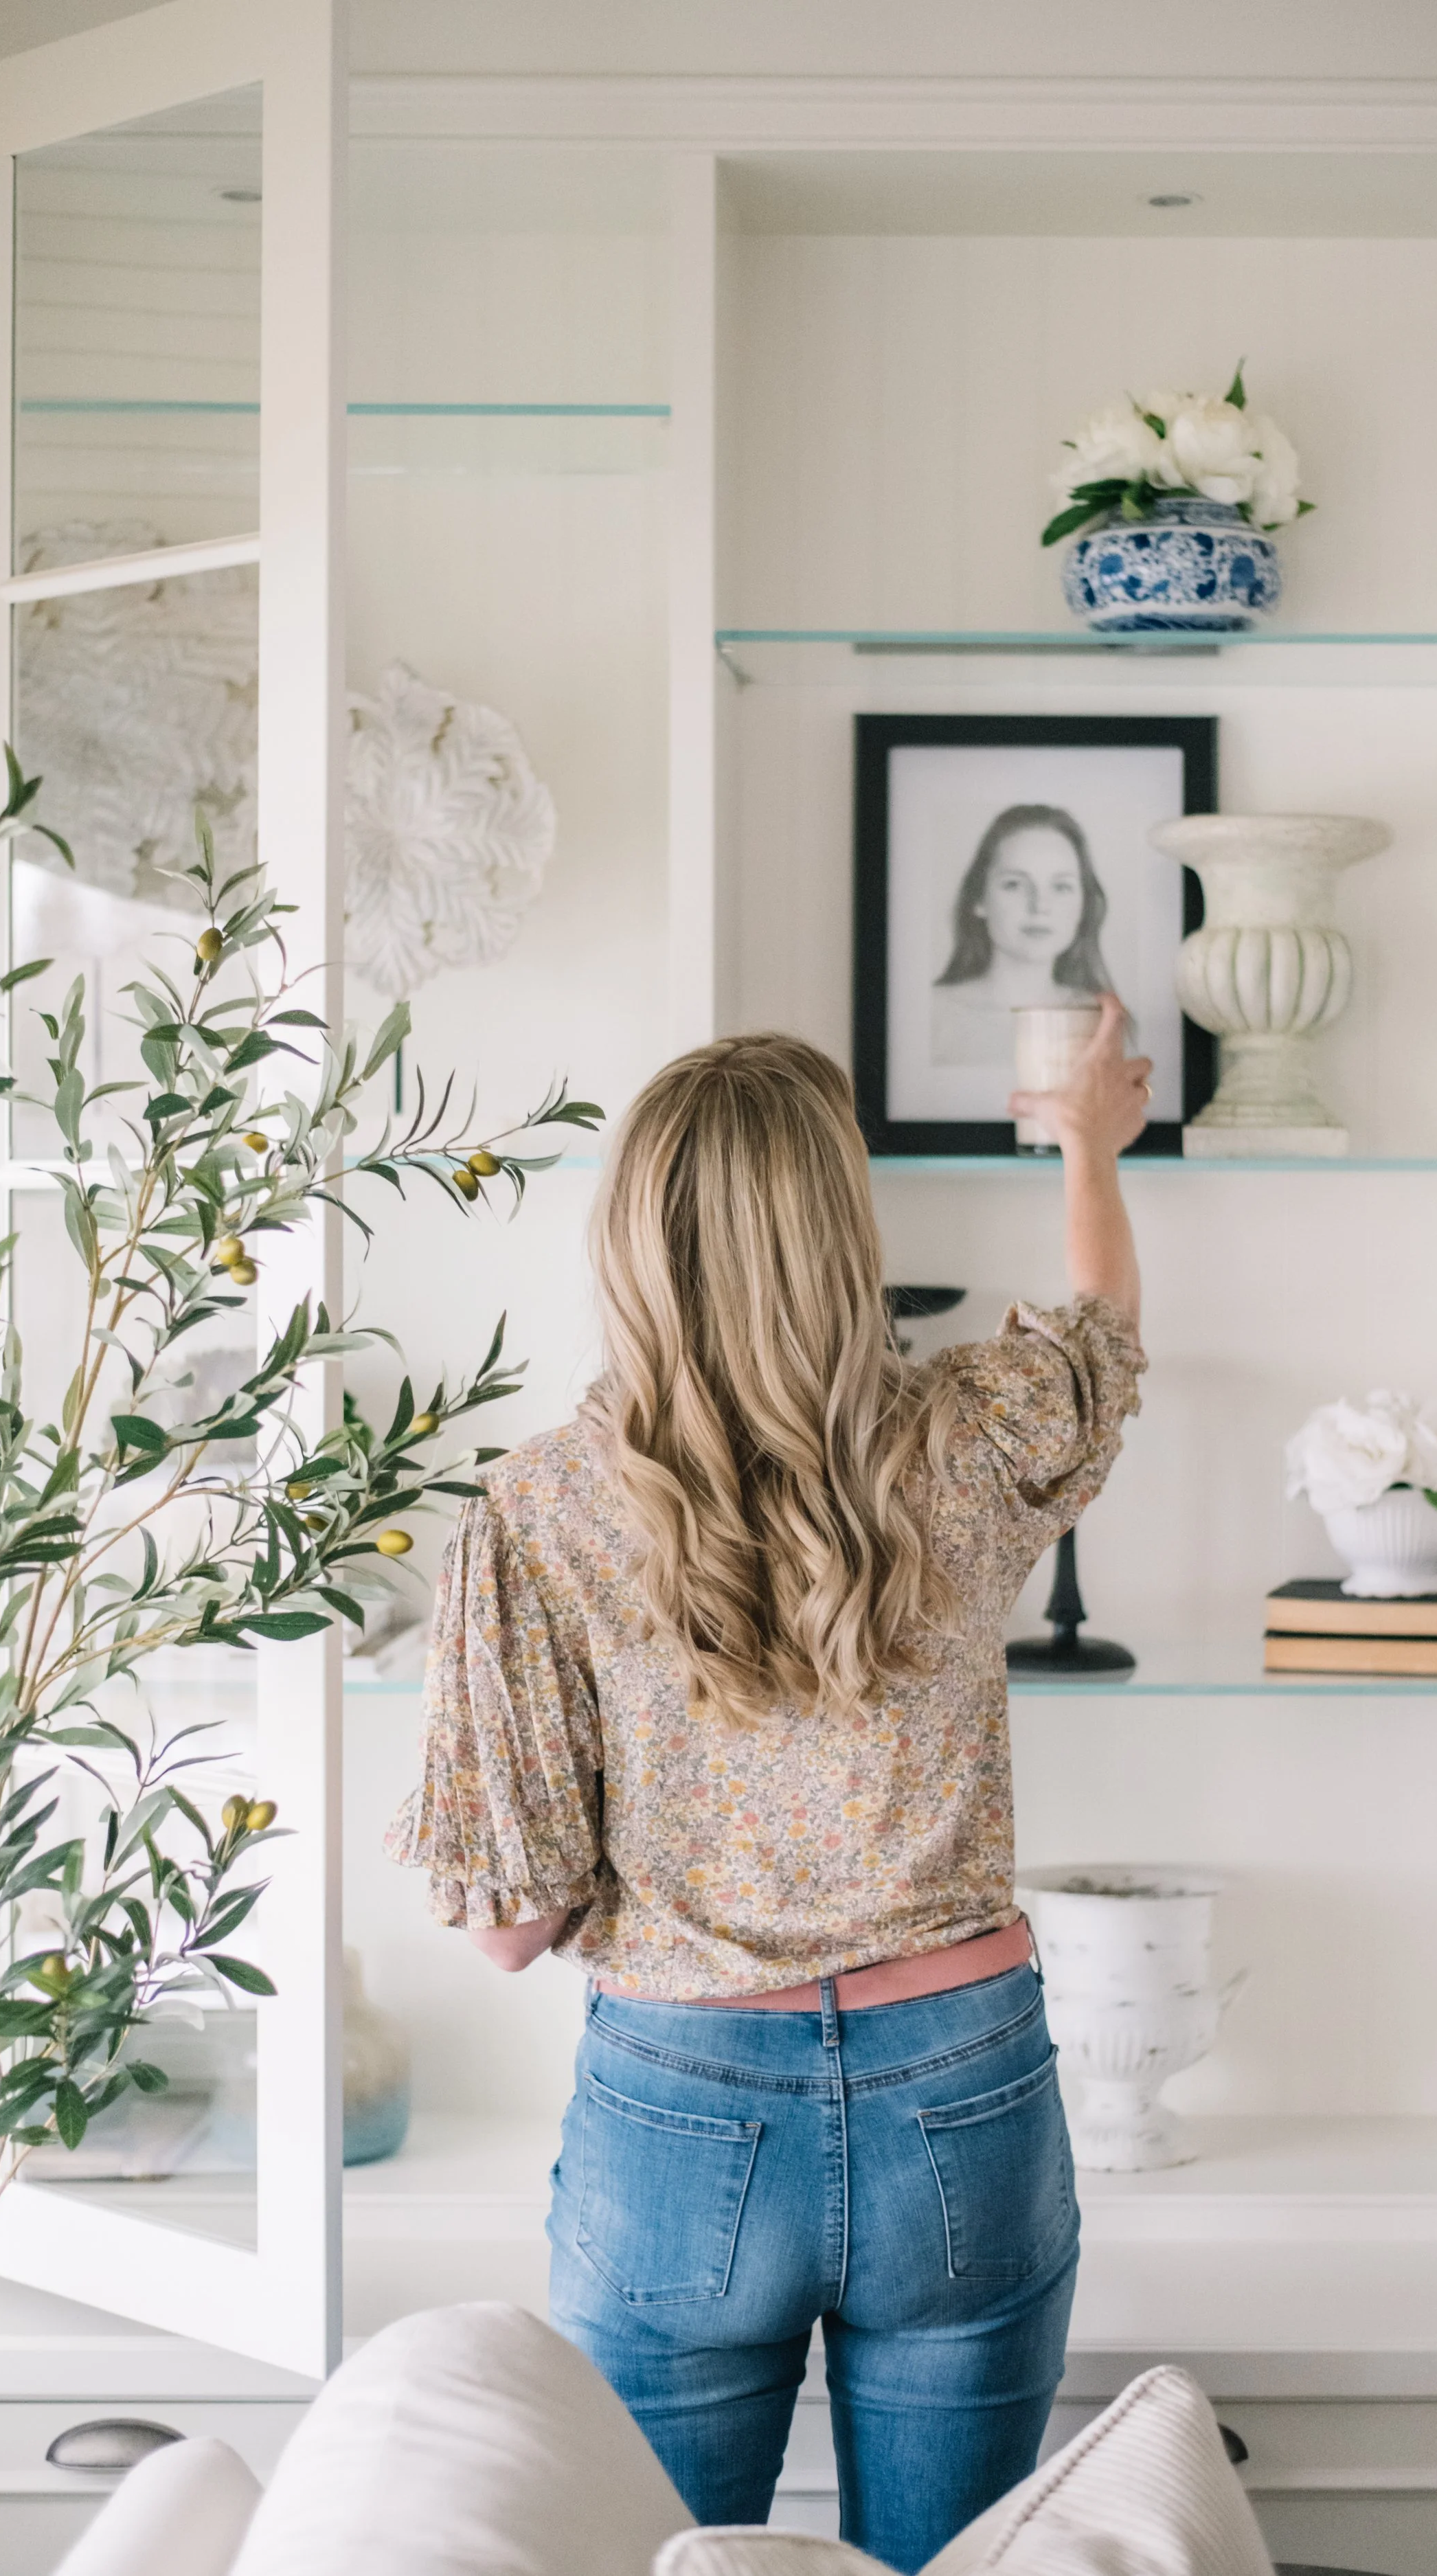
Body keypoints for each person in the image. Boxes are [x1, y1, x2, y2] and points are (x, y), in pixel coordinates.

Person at [387, 1001, 1152, 2574]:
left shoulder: (539, 1510)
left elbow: (510, 1927)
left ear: (633, 1241)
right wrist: (1087, 1141)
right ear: (839, 1231)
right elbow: (1096, 1335)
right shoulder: (958, 1440)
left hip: (682, 2105)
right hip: (966, 2084)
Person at [930, 804, 1114, 1069]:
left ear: (1084, 904)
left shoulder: (1105, 1022)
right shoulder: (931, 1014)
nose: (1040, 906)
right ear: (979, 899)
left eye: (1061, 886)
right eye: (1014, 884)